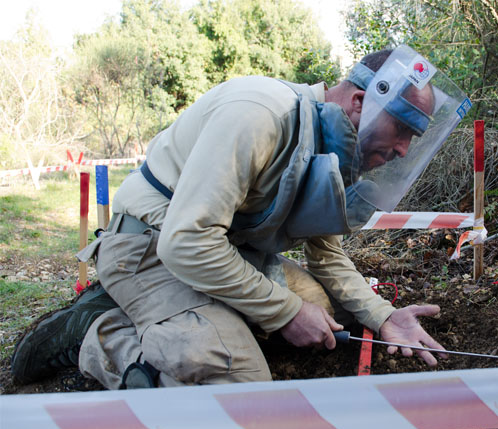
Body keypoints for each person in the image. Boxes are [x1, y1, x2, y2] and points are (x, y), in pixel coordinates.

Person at [12, 45, 472, 389]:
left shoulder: (337, 147)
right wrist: (287, 312)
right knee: (243, 393)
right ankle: (94, 333)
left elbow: (326, 255)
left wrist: (384, 316)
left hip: (223, 255)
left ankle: (169, 316)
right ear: (360, 103)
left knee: (327, 310)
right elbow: (186, 242)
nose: (402, 150)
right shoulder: (261, 114)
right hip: (150, 247)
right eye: (403, 130)